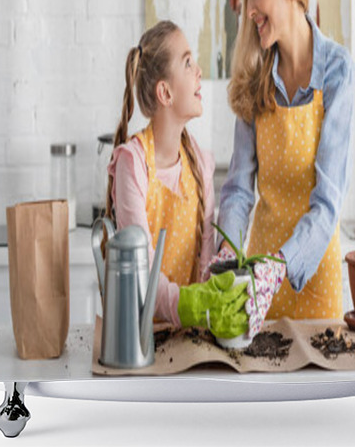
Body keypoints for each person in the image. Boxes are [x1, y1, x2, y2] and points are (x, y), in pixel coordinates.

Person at [216, 0, 355, 335]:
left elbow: (327, 202)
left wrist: (279, 266)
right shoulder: (255, 76)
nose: (249, 6)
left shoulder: (336, 71)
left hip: (315, 278)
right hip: (257, 281)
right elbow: (239, 189)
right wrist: (229, 250)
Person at [105, 20, 248, 339]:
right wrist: (188, 305)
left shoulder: (199, 161)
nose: (199, 71)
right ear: (165, 92)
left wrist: (214, 297)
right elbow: (140, 271)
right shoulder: (134, 163)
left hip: (190, 337)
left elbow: (206, 256)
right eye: (187, 63)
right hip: (140, 342)